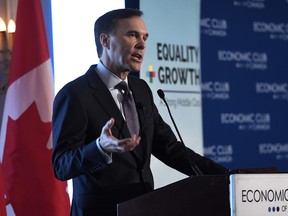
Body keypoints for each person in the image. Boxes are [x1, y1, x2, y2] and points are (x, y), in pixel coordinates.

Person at [52, 8, 228, 216]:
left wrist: (226, 177)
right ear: (105, 41)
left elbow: (169, 148)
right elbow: (61, 165)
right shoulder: (76, 94)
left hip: (144, 208)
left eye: (144, 37)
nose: (142, 44)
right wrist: (99, 147)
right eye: (132, 35)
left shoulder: (141, 89)